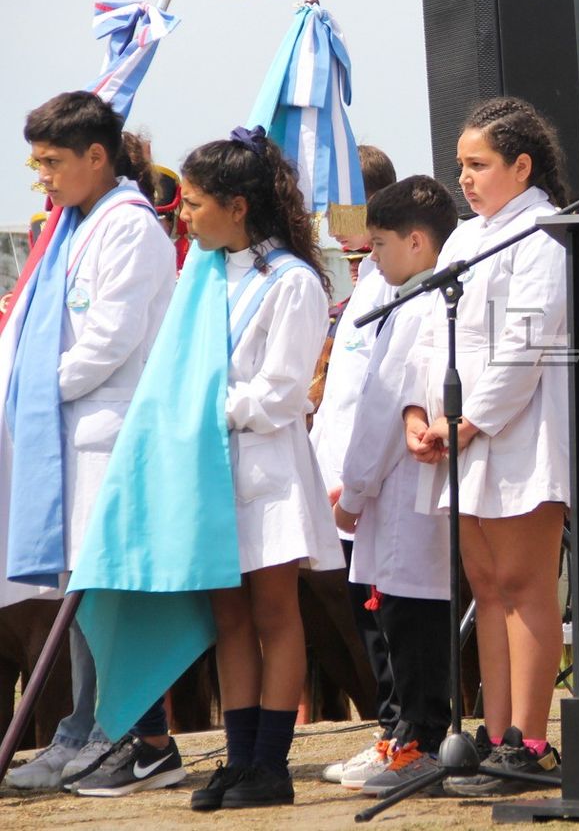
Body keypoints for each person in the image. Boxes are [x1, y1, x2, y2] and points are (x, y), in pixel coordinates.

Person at [0, 93, 181, 796]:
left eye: (51, 162)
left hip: (107, 435)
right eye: (34, 162)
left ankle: (121, 736)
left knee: (104, 597)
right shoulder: (70, 227)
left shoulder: (129, 227)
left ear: (96, 158)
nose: (40, 176)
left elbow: (109, 340)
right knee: (78, 593)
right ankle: (80, 729)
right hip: (68, 434)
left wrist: (35, 387)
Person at [171, 126, 342, 811]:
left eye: (192, 203)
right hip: (211, 471)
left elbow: (282, 393)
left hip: (265, 469)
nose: (183, 216)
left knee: (274, 613)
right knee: (229, 618)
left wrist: (204, 403)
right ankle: (238, 759)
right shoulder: (203, 271)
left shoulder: (292, 281)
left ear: (237, 205)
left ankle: (272, 763)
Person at [402, 97, 569, 796]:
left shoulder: (544, 235)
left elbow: (527, 341)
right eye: (461, 165)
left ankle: (530, 741)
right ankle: (494, 734)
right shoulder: (468, 238)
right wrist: (419, 410)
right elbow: (426, 331)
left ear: (521, 166)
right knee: (487, 588)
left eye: (480, 165)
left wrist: (468, 420)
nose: (464, 179)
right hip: (457, 432)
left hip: (518, 431)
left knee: (527, 585)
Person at [328, 176, 458, 798]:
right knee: (401, 616)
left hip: (405, 489)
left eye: (378, 244)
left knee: (413, 621)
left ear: (414, 241)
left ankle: (421, 740)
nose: (371, 258)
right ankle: (407, 732)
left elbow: (382, 410)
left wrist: (353, 492)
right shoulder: (411, 295)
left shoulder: (420, 301)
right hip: (397, 492)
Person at [308, 145, 401, 789]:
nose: (327, 220)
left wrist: (357, 477)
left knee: (386, 622)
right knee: (363, 625)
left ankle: (403, 735)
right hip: (338, 479)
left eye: (336, 204)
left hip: (368, 482)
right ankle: (389, 734)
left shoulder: (394, 279)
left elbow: (384, 391)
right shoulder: (363, 276)